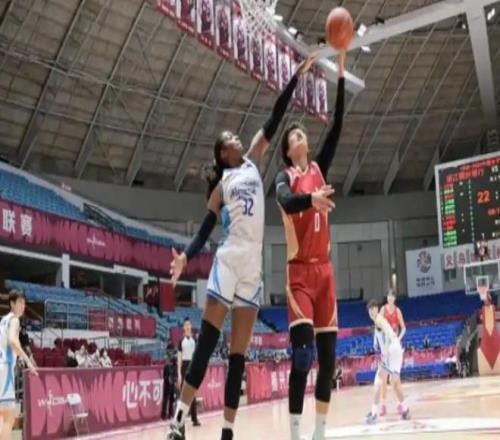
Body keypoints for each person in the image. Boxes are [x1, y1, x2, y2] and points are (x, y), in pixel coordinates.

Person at [167, 55, 316, 440]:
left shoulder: (252, 160)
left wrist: (294, 79)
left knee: (238, 356)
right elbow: (206, 228)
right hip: (230, 259)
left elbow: (276, 116)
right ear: (223, 153)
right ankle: (178, 421)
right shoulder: (221, 186)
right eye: (231, 139)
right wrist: (186, 256)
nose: (238, 139)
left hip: (252, 266)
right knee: (207, 344)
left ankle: (228, 432)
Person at [274, 51, 345, 440]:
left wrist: (341, 75)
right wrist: (312, 200)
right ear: (288, 150)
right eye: (294, 137)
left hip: (325, 272)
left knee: (328, 360)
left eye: (302, 134)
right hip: (300, 273)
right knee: (303, 358)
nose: (300, 137)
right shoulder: (284, 177)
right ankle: (295, 434)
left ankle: (320, 432)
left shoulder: (319, 168)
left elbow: (337, 126)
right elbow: (286, 202)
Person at [0, 290, 37, 439]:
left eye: (24, 303)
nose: (23, 306)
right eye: (20, 302)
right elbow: (12, 340)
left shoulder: (3, 320)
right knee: (9, 417)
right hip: (6, 369)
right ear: (12, 304)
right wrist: (28, 361)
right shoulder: (14, 320)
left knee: (2, 415)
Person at [365, 300, 410, 425]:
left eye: (372, 309)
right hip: (397, 349)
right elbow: (387, 332)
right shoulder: (380, 319)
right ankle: (406, 410)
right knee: (395, 383)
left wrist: (385, 348)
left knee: (378, 381)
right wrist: (377, 342)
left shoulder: (378, 319)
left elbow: (387, 332)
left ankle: (374, 414)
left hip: (391, 350)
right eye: (369, 310)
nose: (371, 312)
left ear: (376, 309)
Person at [378, 289, 406, 416]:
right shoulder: (383, 310)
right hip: (386, 347)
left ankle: (399, 404)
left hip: (395, 347)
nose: (390, 298)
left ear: (394, 298)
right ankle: (383, 405)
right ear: (387, 298)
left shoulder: (397, 311)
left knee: (395, 378)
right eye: (388, 296)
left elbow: (403, 328)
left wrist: (398, 338)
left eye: (392, 296)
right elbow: (378, 326)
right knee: (384, 378)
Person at [176, 319, 200, 426]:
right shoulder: (181, 341)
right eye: (185, 325)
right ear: (183, 328)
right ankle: (180, 420)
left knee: (193, 394)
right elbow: (179, 358)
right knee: (183, 395)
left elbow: (196, 356)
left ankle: (194, 419)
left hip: (192, 365)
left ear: (191, 326)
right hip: (184, 367)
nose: (187, 326)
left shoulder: (194, 341)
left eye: (189, 324)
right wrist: (179, 374)